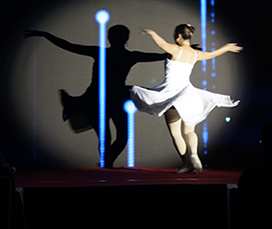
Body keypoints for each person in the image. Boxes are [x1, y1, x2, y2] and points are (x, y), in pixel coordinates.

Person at [24, 24, 168, 167]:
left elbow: (69, 46)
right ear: (126, 38)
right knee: (121, 136)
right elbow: (163, 56)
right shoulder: (130, 56)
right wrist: (181, 49)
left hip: (97, 98)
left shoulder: (103, 53)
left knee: (107, 136)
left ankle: (106, 164)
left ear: (109, 38)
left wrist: (45, 35)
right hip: (115, 98)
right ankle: (107, 164)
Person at [130, 24, 241, 174]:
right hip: (188, 94)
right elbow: (210, 54)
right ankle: (194, 154)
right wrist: (226, 48)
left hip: (171, 95)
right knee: (189, 131)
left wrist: (152, 33)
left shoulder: (176, 49)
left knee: (176, 133)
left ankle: (187, 164)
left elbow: (162, 44)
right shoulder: (195, 54)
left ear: (178, 36)